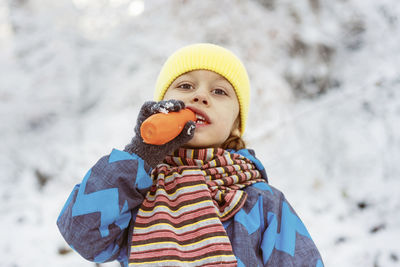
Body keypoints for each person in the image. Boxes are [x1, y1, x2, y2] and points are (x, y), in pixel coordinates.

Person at [57, 43, 324, 267]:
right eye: (185, 86)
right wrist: (139, 154)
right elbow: (82, 235)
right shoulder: (135, 191)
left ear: (235, 123)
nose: (200, 96)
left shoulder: (262, 203)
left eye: (219, 91)